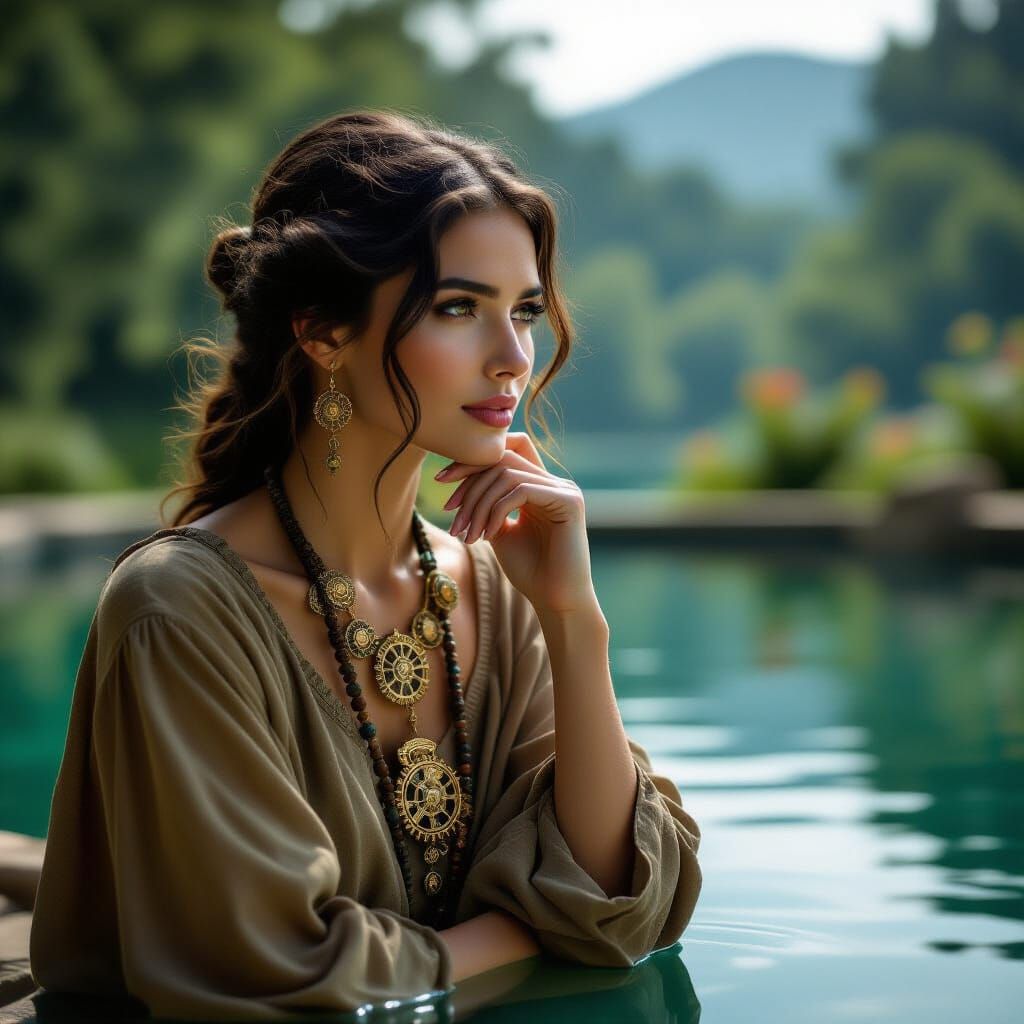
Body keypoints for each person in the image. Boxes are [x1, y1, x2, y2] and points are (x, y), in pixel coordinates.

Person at [28, 109, 702, 1021]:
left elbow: (624, 901)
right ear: (322, 331)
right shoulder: (178, 609)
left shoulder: (496, 590)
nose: (512, 360)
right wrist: (526, 928)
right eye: (459, 308)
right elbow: (273, 974)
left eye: (526, 312)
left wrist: (574, 621)